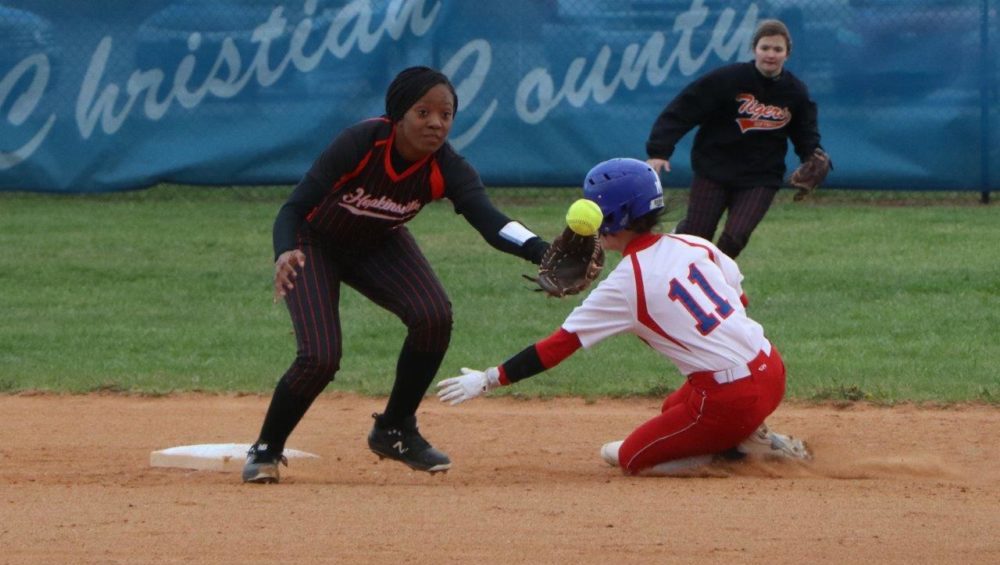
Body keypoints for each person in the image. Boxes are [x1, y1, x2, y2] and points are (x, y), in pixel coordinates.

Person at [242, 66, 550, 483]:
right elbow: (294, 208)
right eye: (423, 112)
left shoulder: (447, 166)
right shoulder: (361, 143)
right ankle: (267, 448)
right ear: (398, 115)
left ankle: (395, 428)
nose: (436, 123)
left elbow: (491, 221)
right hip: (312, 243)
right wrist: (284, 252)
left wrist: (542, 252)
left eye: (446, 114)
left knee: (433, 315)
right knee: (320, 357)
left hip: (378, 242)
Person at [436, 158, 809, 476]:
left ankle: (742, 451)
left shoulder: (627, 282)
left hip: (729, 399)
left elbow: (558, 346)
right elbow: (737, 298)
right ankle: (748, 433)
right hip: (771, 368)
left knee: (626, 458)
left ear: (615, 216)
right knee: (671, 409)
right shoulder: (693, 242)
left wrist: (488, 380)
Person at [645, 19, 828, 259]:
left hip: (760, 176)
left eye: (777, 49)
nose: (770, 54)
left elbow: (805, 131)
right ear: (755, 49)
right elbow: (686, 107)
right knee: (697, 236)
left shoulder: (795, 92)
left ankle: (713, 280)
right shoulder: (728, 79)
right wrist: (659, 149)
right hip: (714, 169)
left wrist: (811, 156)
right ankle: (683, 238)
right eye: (765, 48)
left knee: (735, 236)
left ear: (787, 54)